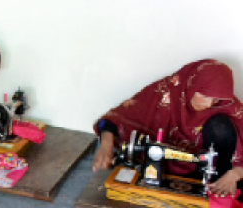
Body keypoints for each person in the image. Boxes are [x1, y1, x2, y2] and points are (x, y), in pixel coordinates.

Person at [93, 59, 243, 198]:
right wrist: (106, 144)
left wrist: (235, 173)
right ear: (192, 84)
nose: (210, 104)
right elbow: (117, 117)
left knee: (221, 127)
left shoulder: (227, 105)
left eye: (216, 99)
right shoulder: (165, 92)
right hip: (159, 167)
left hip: (211, 173)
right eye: (204, 95)